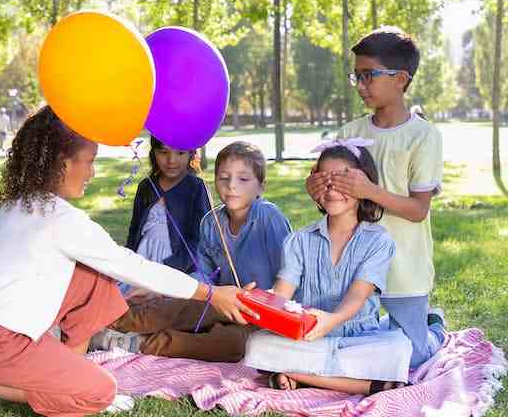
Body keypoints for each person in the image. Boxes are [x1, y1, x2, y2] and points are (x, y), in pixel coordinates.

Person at [0, 106, 251, 417]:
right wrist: (211, 293)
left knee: (94, 277)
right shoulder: (60, 219)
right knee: (100, 391)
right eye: (88, 161)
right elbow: (132, 265)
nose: (92, 171)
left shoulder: (13, 205)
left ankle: (69, 371)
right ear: (62, 163)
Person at [307, 26, 445, 369]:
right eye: (357, 76)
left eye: (368, 75)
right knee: (350, 344)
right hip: (353, 266)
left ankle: (434, 329)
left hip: (404, 269)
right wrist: (317, 189)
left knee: (410, 359)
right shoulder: (350, 133)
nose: (361, 85)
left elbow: (417, 210)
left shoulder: (423, 136)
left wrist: (369, 191)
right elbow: (330, 195)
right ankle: (389, 331)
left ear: (400, 79)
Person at [97, 141, 291, 363]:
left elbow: (287, 277)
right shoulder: (211, 222)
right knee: (179, 307)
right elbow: (203, 274)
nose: (232, 186)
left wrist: (258, 304)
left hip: (261, 313)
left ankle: (137, 343)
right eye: (224, 178)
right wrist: (165, 290)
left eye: (243, 179)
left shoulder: (268, 217)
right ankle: (109, 322)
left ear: (261, 186)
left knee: (236, 345)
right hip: (222, 301)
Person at [244, 141, 412, 393]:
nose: (333, 190)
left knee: (399, 348)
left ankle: (298, 376)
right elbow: (281, 295)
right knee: (256, 344)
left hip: (359, 339)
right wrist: (257, 305)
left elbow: (357, 295)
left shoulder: (378, 240)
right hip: (308, 338)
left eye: (343, 181)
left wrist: (332, 320)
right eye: (325, 181)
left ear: (362, 184)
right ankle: (368, 386)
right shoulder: (298, 241)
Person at [124, 136, 209, 297]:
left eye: (180, 153)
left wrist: (169, 272)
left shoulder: (196, 188)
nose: (171, 160)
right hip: (142, 262)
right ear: (153, 153)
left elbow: (198, 240)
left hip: (177, 268)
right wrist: (128, 265)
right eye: (163, 152)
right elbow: (134, 230)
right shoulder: (146, 187)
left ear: (191, 154)